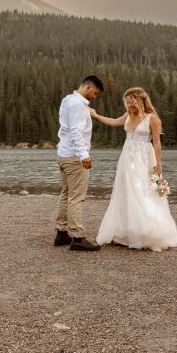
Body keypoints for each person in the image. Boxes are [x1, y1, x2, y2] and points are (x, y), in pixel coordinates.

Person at [91, 86, 177, 251]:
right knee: (126, 191)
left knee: (142, 191)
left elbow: (157, 143)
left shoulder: (151, 118)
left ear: (140, 101)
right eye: (127, 103)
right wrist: (96, 115)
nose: (130, 106)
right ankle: (127, 231)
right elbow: (113, 122)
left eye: (132, 103)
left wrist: (158, 164)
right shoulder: (128, 116)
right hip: (127, 158)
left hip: (143, 159)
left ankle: (147, 231)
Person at [54, 75, 104, 251]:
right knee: (77, 196)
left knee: (66, 193)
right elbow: (76, 132)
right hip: (74, 157)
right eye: (95, 93)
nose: (94, 97)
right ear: (88, 88)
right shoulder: (77, 105)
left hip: (63, 153)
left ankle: (61, 233)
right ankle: (78, 237)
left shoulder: (68, 99)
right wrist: (84, 155)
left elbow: (66, 128)